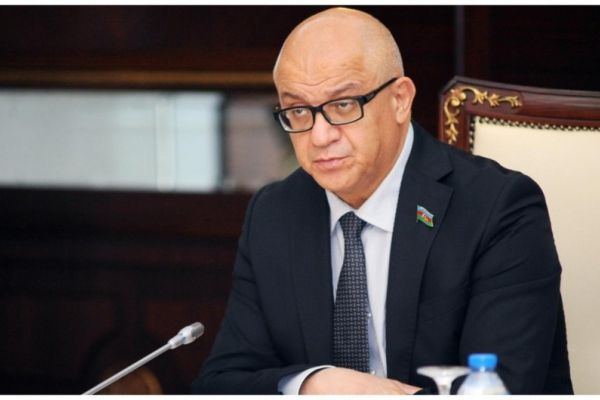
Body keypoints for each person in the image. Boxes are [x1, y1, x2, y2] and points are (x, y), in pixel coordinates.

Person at [192, 7, 572, 395]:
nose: (320, 136)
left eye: (343, 105)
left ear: (400, 100)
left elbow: (501, 388)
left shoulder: (498, 209)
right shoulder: (274, 214)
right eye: (299, 110)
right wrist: (311, 384)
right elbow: (220, 384)